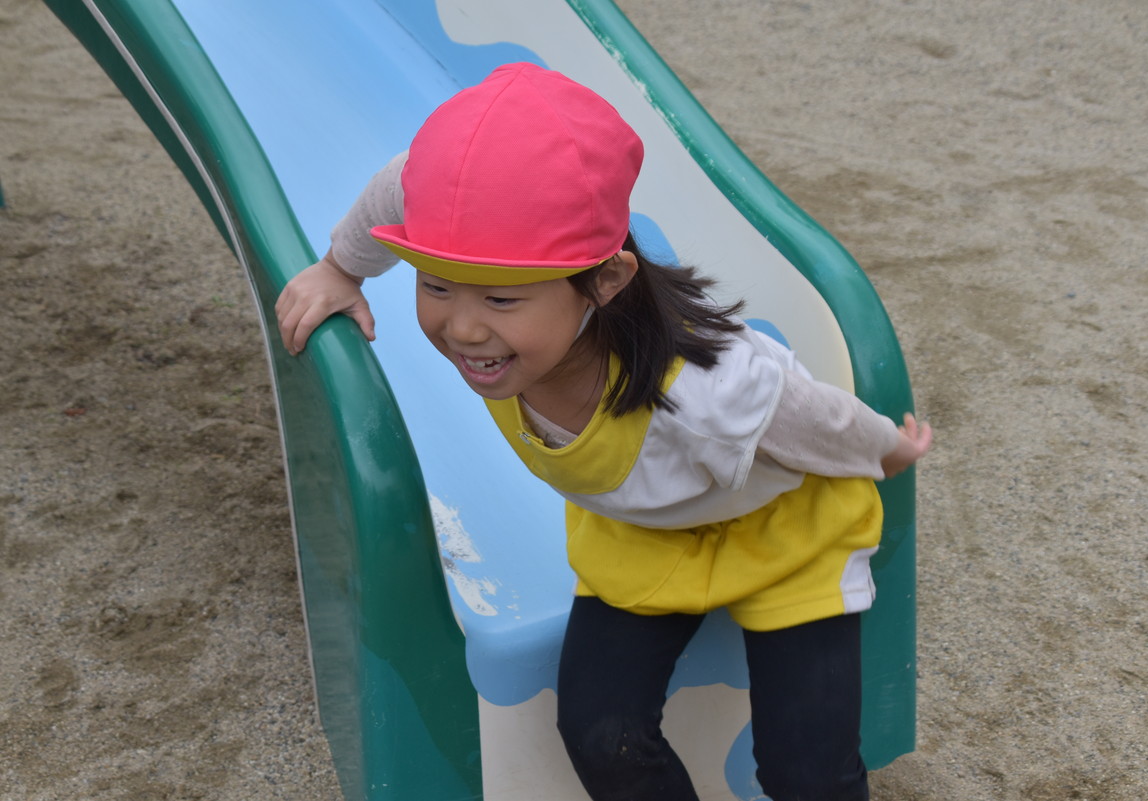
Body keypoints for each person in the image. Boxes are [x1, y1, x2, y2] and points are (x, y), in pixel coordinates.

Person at [276, 62, 932, 801]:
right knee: (601, 732)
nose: (463, 327)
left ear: (606, 281)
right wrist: (341, 269)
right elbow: (397, 190)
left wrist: (888, 448)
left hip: (786, 533)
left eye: (500, 298)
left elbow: (813, 417)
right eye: (436, 285)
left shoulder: (710, 388)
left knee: (805, 771)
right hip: (644, 537)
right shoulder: (497, 321)